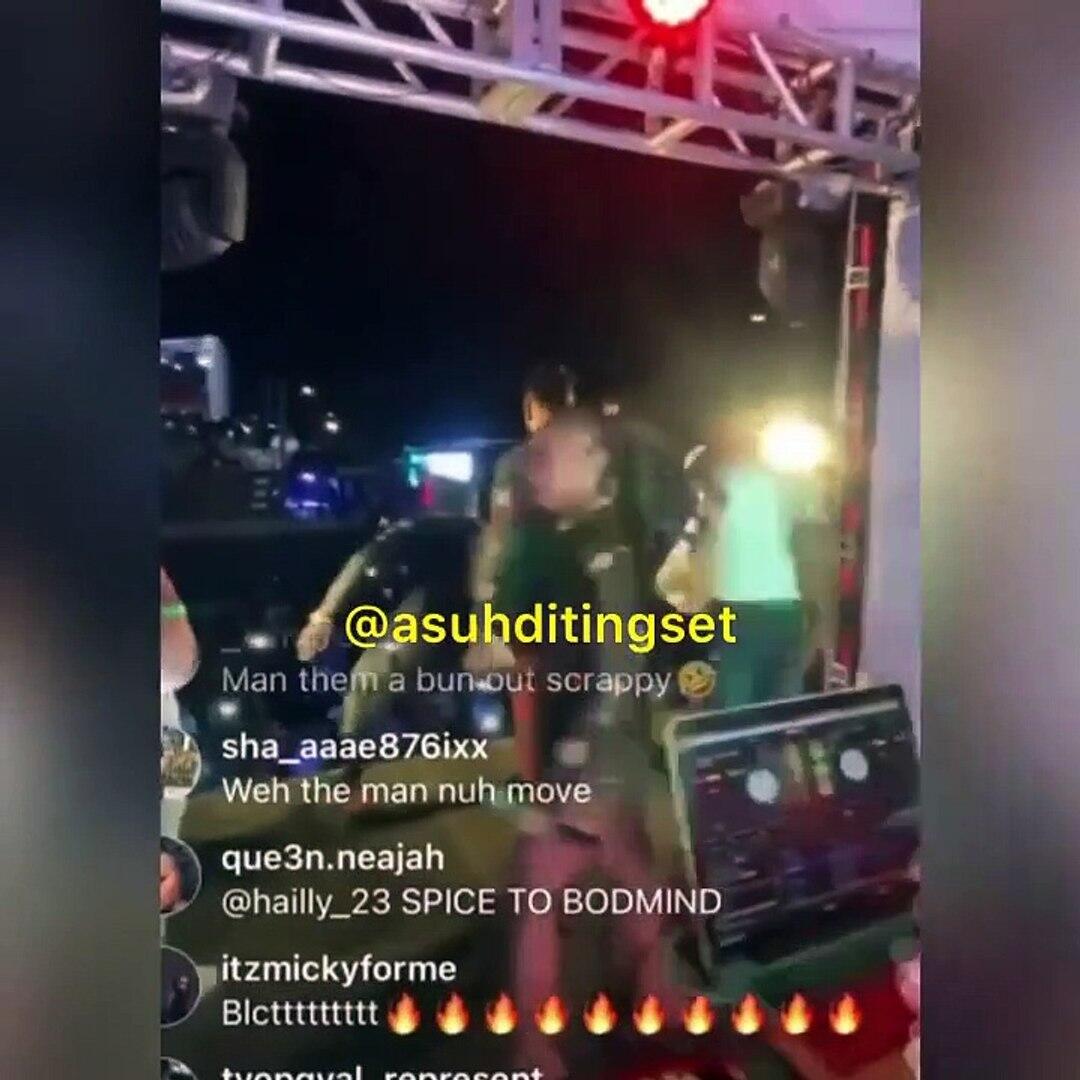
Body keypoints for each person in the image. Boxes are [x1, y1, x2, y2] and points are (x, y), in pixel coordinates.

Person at [467, 363, 578, 781]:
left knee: (530, 695)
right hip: (579, 597)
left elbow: (500, 536)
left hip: (527, 597)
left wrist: (485, 607)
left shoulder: (516, 463)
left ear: (532, 407)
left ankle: (537, 785)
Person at [683, 406, 828, 707]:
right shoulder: (785, 480)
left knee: (741, 709)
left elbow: (813, 536)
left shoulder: (717, 481)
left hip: (754, 611)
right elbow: (815, 536)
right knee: (774, 710)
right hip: (775, 609)